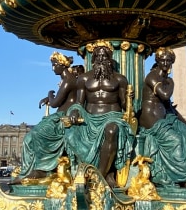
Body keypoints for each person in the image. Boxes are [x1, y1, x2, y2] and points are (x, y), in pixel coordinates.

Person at [65, 41, 135, 186]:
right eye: (98, 57)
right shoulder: (83, 79)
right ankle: (100, 174)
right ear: (93, 59)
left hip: (112, 116)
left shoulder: (120, 79)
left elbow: (124, 105)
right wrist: (75, 111)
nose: (101, 60)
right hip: (90, 118)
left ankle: (100, 176)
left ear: (110, 59)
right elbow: (79, 103)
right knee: (69, 131)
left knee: (111, 130)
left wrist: (129, 100)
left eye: (104, 57)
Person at [136, 47, 186, 187]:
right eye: (162, 60)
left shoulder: (165, 79)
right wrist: (171, 83)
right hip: (151, 118)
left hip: (164, 117)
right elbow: (165, 95)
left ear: (172, 62)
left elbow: (170, 108)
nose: (165, 63)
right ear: (157, 61)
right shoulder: (152, 76)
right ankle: (183, 177)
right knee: (175, 140)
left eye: (169, 61)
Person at [12, 52, 79, 184]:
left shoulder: (68, 80)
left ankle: (40, 169)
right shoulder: (68, 79)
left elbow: (55, 104)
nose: (52, 68)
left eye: (54, 65)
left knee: (34, 135)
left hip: (63, 117)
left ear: (62, 65)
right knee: (29, 138)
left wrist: (49, 94)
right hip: (59, 116)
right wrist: (50, 98)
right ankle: (30, 171)